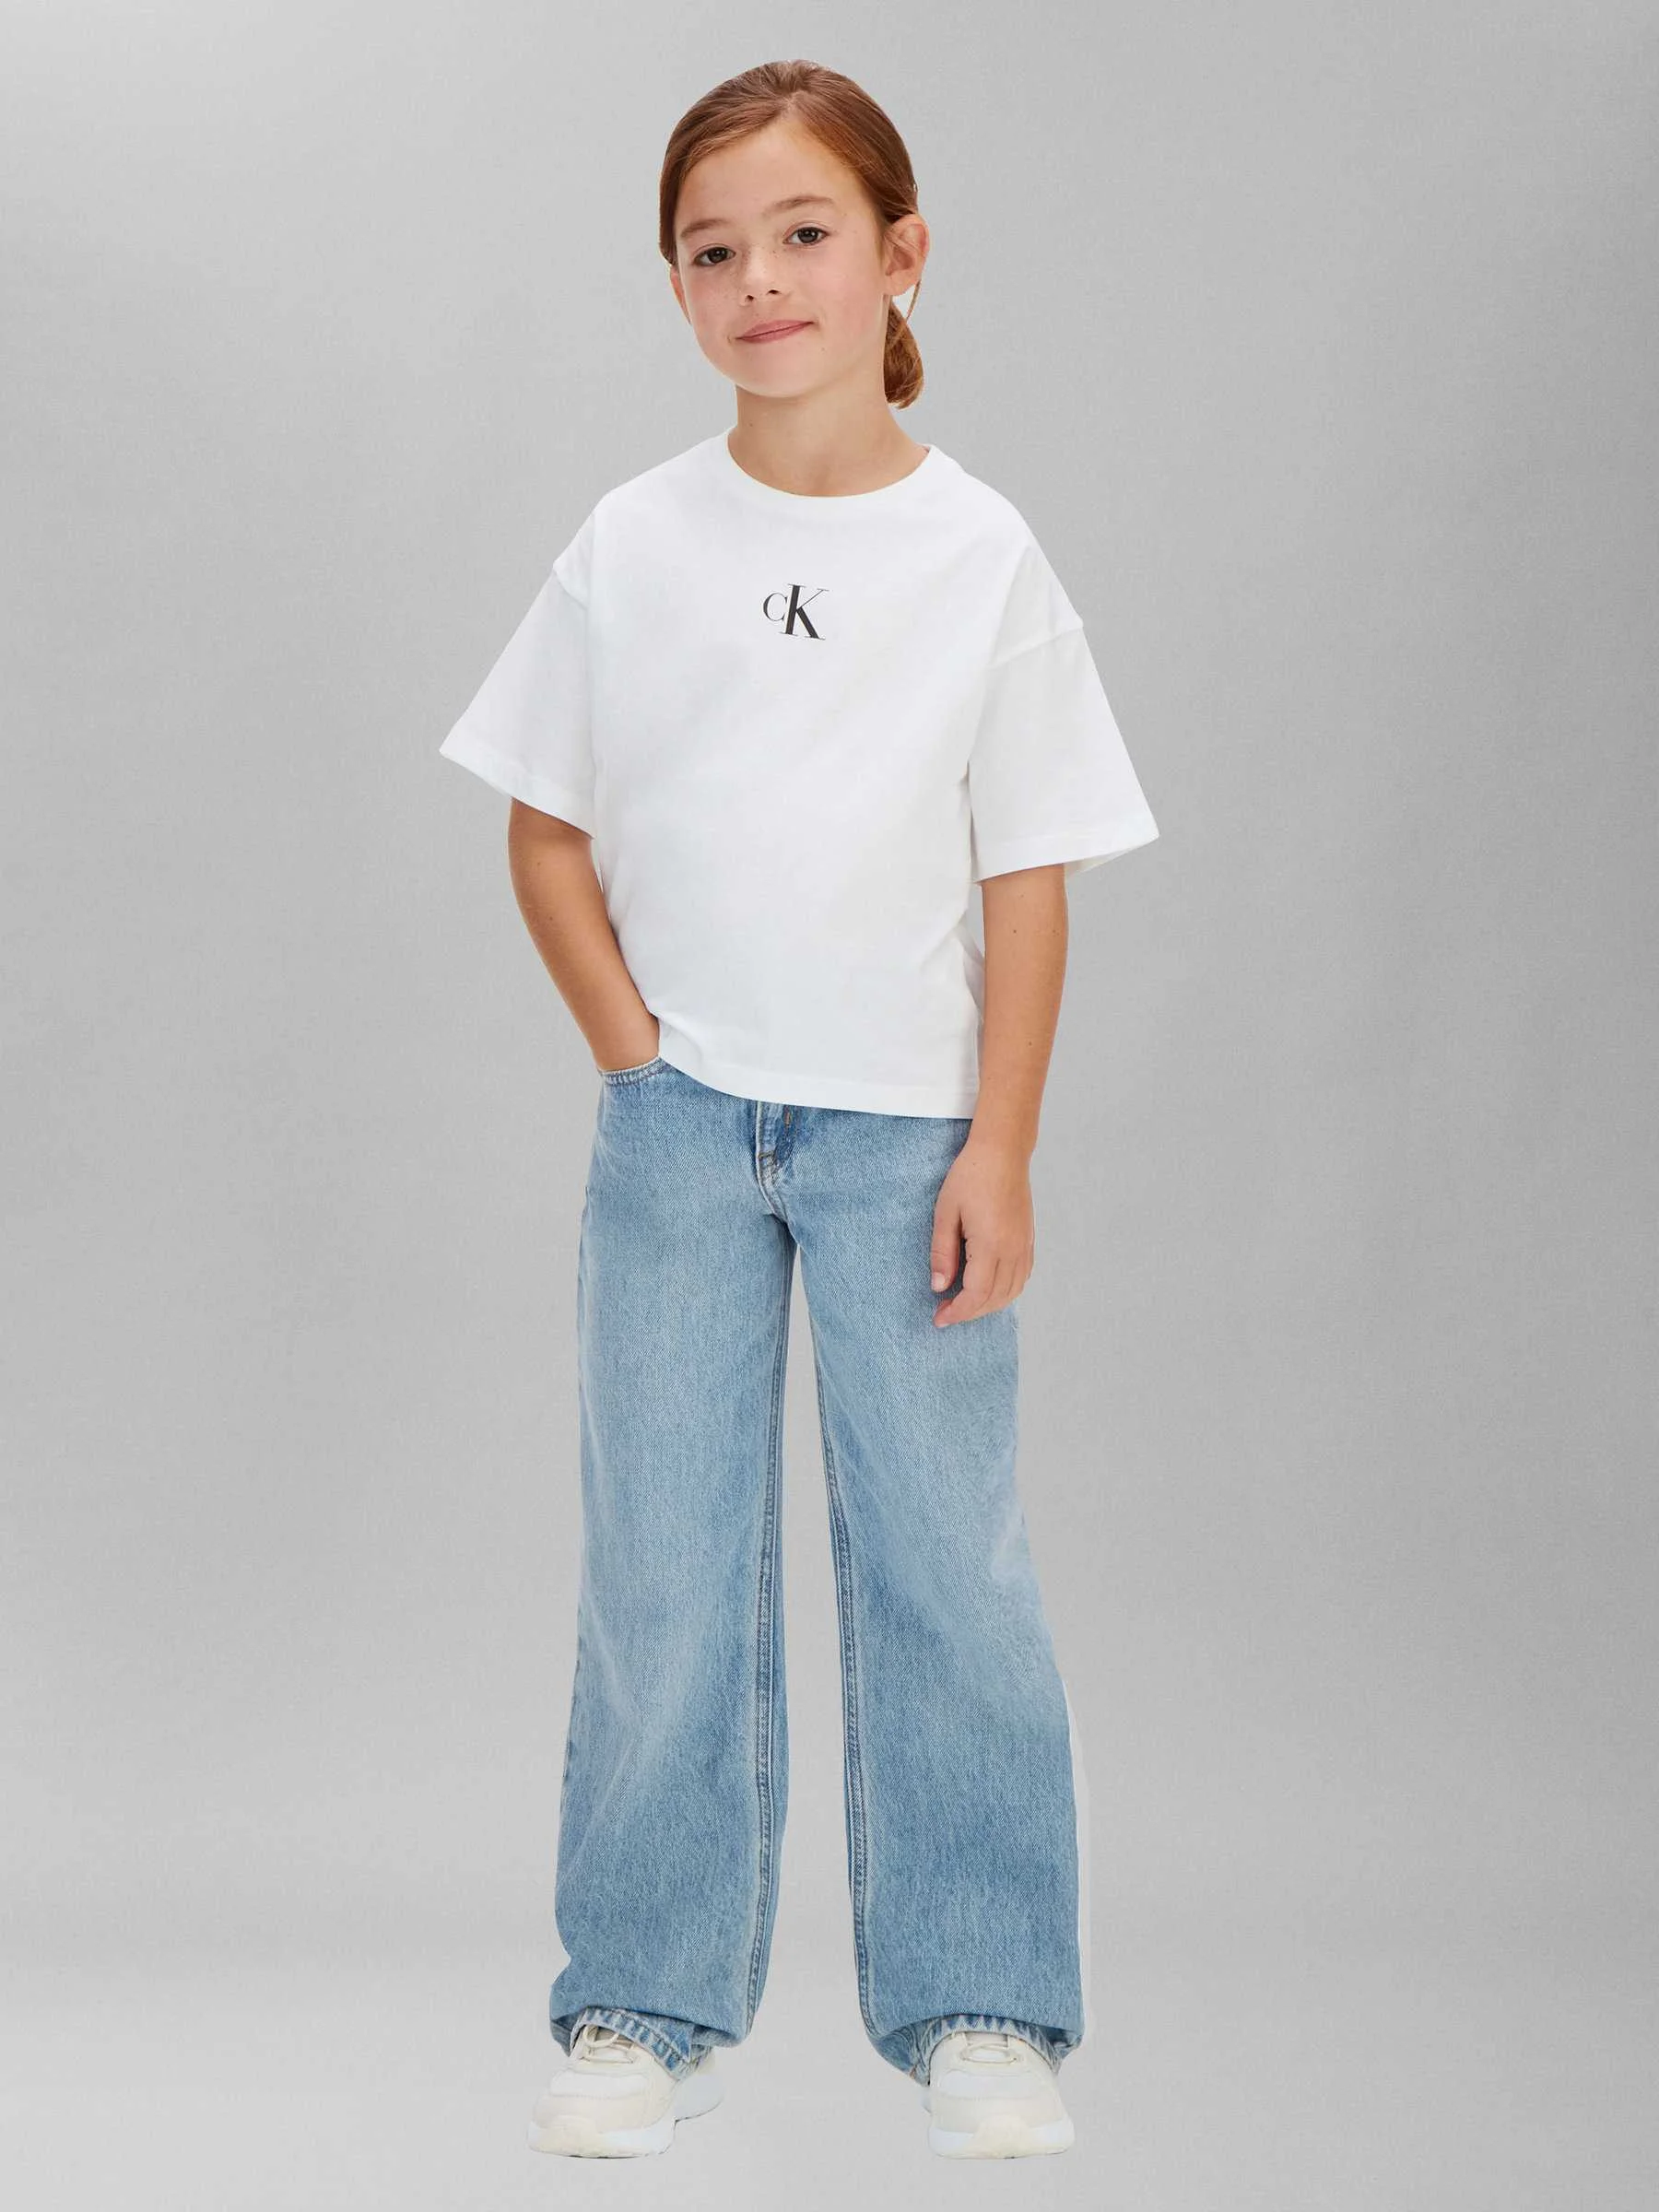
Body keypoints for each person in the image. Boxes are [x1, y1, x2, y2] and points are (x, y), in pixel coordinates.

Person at [437, 59, 1160, 2161]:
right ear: (676, 286)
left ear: (901, 255)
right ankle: (643, 2003)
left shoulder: (978, 553)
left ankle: (983, 2001)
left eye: (806, 234)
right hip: (684, 1137)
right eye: (713, 250)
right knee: (664, 1571)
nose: (761, 280)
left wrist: (1001, 1141)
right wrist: (632, 1053)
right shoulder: (636, 539)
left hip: (907, 1141)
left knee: (946, 1568)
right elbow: (544, 823)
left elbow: (1028, 873)